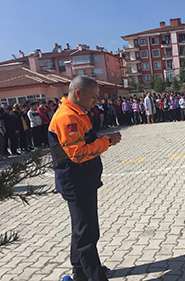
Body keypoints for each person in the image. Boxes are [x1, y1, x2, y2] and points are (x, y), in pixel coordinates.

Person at [48, 76, 121, 281]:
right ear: (78, 94)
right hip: (76, 182)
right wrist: (107, 141)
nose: (95, 102)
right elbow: (78, 154)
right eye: (93, 97)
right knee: (87, 234)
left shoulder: (78, 112)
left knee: (81, 229)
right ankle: (94, 276)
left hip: (84, 180)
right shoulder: (66, 118)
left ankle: (80, 271)